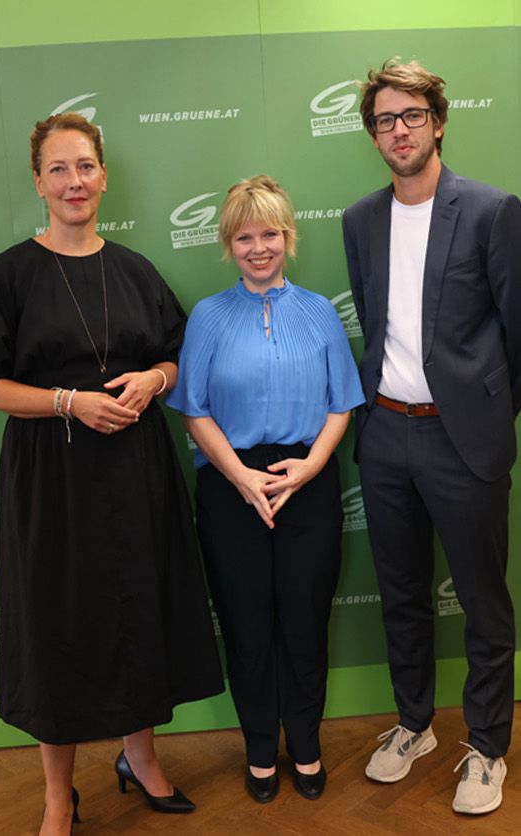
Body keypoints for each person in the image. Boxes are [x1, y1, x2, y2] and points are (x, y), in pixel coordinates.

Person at [0, 112, 223, 835]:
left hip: (136, 472)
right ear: (38, 183)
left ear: (103, 175)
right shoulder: (10, 274)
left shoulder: (134, 269)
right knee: (57, 629)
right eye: (58, 169)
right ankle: (55, 793)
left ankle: (141, 759)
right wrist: (68, 402)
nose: (74, 182)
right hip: (52, 482)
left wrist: (156, 381)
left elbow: (174, 354)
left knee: (140, 609)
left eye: (85, 167)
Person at [342, 59, 521, 815]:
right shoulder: (360, 219)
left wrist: (485, 418)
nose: (399, 130)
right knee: (403, 595)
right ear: (374, 134)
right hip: (385, 434)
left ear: (439, 121)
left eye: (412, 115)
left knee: (482, 602)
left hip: (464, 441)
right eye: (385, 119)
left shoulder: (491, 209)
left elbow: (517, 332)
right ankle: (413, 723)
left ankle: (487, 746)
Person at [168, 176, 364, 804]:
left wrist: (307, 468)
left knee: (305, 624)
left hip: (307, 480)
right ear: (228, 244)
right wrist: (241, 476)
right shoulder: (208, 317)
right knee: (248, 626)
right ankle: (259, 751)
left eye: (270, 234)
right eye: (245, 236)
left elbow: (342, 406)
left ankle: (304, 746)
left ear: (288, 237)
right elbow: (193, 409)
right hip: (231, 487)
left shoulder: (319, 313)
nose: (259, 247)